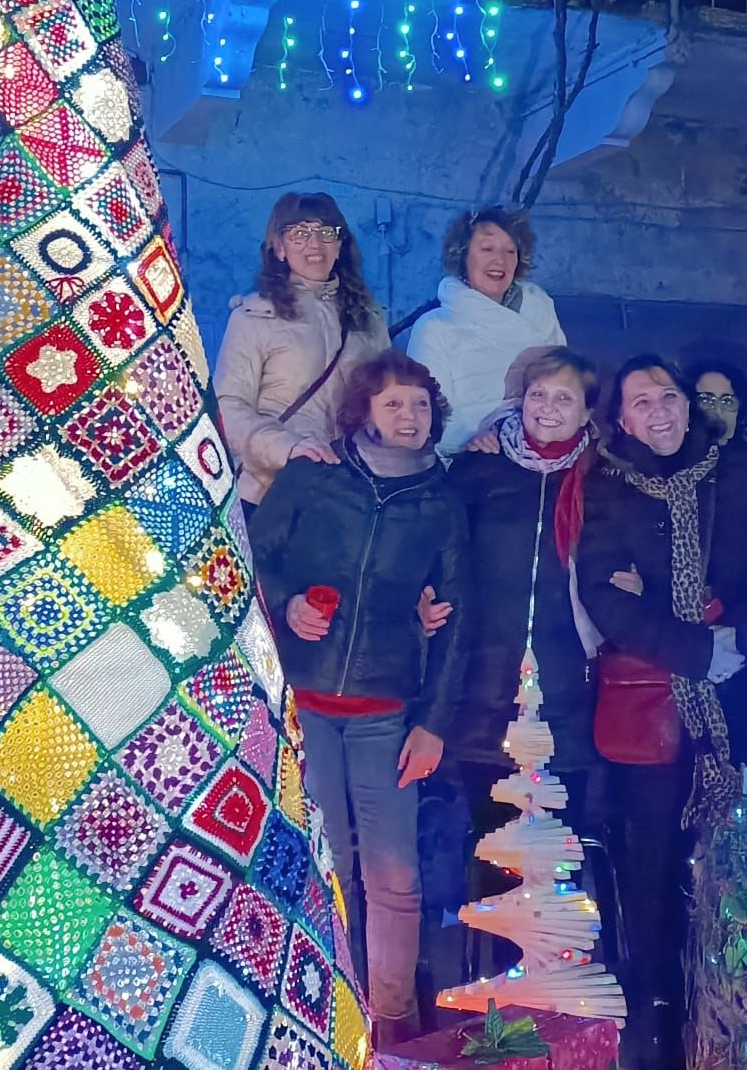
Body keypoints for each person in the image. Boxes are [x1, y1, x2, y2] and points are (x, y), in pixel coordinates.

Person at [578, 356, 747, 1067]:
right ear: (621, 419)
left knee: (740, 857)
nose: (660, 411)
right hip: (656, 708)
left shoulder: (739, 472)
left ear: (689, 404)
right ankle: (661, 1015)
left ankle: (745, 1011)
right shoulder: (609, 487)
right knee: (652, 863)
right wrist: (693, 649)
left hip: (742, 695)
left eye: (669, 396)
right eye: (641, 402)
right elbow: (604, 591)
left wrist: (735, 641)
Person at [248, 350, 469, 1046]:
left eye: (421, 405)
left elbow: (459, 618)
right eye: (394, 403)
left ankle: (393, 1026)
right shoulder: (313, 479)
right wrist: (287, 604)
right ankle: (327, 1011)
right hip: (302, 704)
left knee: (394, 876)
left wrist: (434, 724)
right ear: (363, 411)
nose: (409, 416)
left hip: (386, 713)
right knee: (327, 865)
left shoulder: (440, 502)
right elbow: (249, 557)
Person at [445, 349, 607, 974]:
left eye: (564, 398)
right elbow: (444, 557)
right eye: (538, 394)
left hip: (568, 698)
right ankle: (499, 1003)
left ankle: (557, 992)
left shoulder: (602, 477)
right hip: (484, 698)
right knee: (496, 855)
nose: (547, 408)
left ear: (588, 411)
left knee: (556, 857)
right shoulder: (479, 468)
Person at [215, 191, 390, 508]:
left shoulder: (369, 319)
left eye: (326, 232)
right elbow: (228, 406)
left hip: (349, 494)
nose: (314, 243)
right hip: (272, 490)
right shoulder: (254, 316)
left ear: (340, 244)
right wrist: (287, 447)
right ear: (279, 248)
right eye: (299, 233)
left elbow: (387, 397)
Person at [405, 207, 567, 455]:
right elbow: (427, 413)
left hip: (543, 448)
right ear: (463, 255)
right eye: (487, 249)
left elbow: (566, 382)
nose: (500, 260)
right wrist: (476, 439)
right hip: (474, 457)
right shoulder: (433, 327)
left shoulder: (540, 309)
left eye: (510, 251)